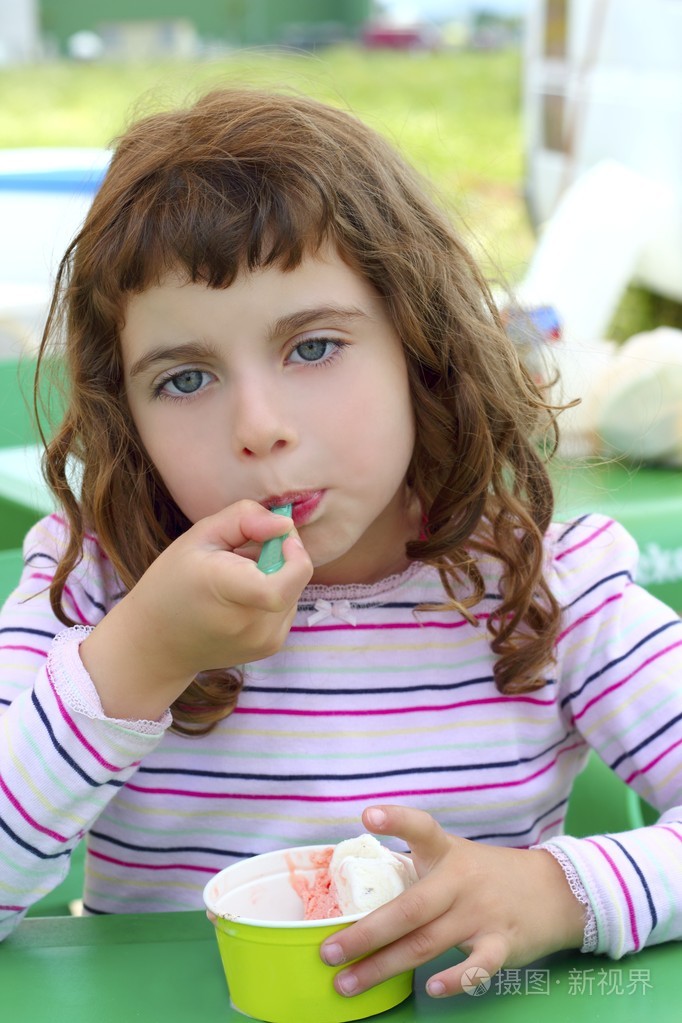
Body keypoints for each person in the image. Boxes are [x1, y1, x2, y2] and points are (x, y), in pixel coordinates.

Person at [0, 88, 680, 1001]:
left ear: (420, 344)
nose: (259, 426)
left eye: (313, 347)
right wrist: (143, 655)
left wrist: (558, 893)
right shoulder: (94, 585)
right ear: (126, 411)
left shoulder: (547, 581)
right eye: (186, 376)